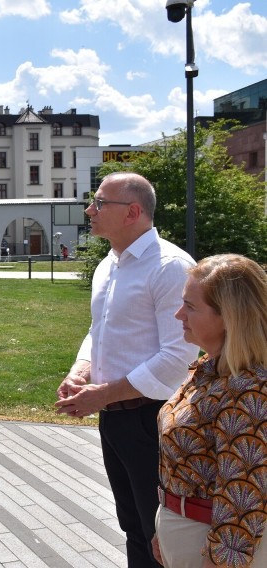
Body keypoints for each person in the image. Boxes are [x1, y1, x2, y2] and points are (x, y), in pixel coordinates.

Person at [54, 172, 199, 567]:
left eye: (99, 203)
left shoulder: (169, 267)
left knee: (160, 533)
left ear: (133, 211)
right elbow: (99, 330)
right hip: (114, 418)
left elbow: (179, 357)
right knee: (134, 525)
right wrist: (81, 370)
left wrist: (103, 393)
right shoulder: (110, 265)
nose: (89, 210)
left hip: (152, 419)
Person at [152, 254, 267, 568]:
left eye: (190, 306)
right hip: (185, 533)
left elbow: (244, 496)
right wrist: (166, 520)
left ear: (229, 317)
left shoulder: (249, 390)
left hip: (209, 546)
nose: (179, 315)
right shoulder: (208, 368)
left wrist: (221, 561)